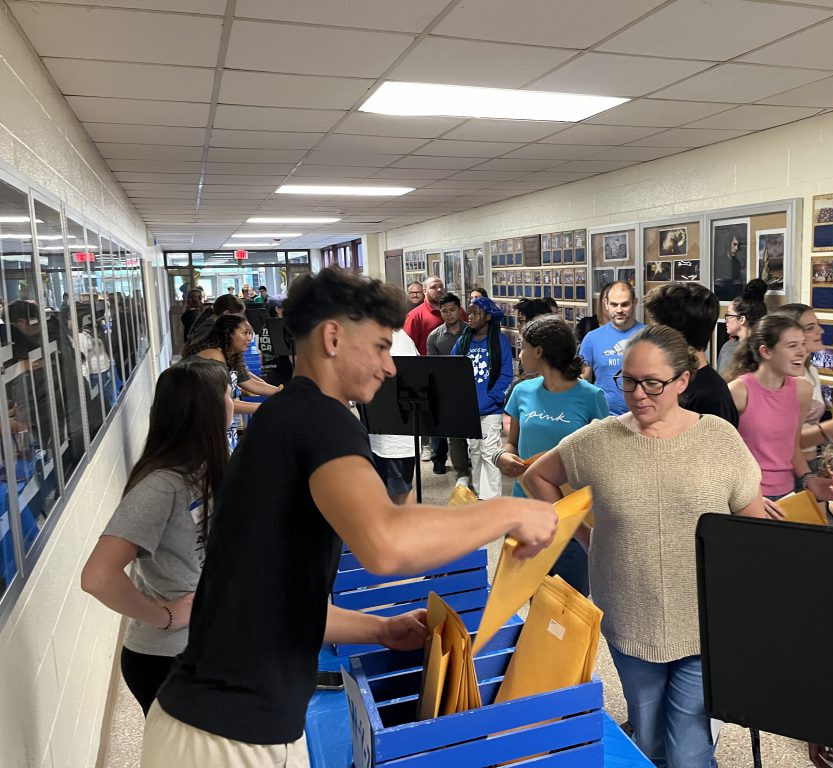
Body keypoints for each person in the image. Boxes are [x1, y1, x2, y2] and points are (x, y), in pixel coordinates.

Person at [145, 268, 557, 765]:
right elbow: (385, 543)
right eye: (382, 347)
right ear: (334, 337)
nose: (389, 367)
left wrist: (378, 630)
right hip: (224, 734)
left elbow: (275, 599)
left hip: (236, 721)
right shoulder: (319, 416)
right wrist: (509, 511)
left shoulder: (286, 416)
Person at [523, 324, 767, 768]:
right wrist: (582, 532)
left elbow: (753, 530)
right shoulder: (597, 441)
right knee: (649, 741)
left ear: (682, 381)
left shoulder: (718, 438)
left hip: (705, 618)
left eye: (652, 383)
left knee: (690, 751)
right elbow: (535, 476)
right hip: (628, 612)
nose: (638, 394)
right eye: (629, 381)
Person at [80, 362, 232, 715]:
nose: (232, 399)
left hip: (205, 645)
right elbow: (97, 577)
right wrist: (163, 615)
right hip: (167, 659)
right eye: (227, 392)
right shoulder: (162, 485)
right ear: (207, 409)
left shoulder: (205, 468)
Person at [498, 315, 608, 594]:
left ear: (539, 351)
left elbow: (604, 458)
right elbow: (512, 444)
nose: (520, 353)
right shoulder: (521, 391)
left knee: (567, 600)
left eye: (522, 346)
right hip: (525, 509)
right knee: (529, 593)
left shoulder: (591, 397)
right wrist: (502, 457)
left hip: (571, 514)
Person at [728, 314, 833, 502]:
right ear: (766, 352)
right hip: (747, 497)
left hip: (787, 494)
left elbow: (792, 446)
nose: (802, 352)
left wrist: (809, 478)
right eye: (792, 346)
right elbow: (719, 454)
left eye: (802, 344)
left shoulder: (802, 390)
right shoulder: (738, 391)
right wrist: (748, 498)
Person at [645, 282, 739, 427]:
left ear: (675, 334)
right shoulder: (674, 382)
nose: (652, 334)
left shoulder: (712, 398)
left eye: (656, 327)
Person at [453, 296, 513, 500]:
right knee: (475, 451)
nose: (469, 317)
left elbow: (506, 375)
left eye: (475, 313)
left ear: (487, 317)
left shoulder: (499, 342)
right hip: (468, 409)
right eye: (468, 312)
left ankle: (491, 498)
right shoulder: (463, 341)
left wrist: (492, 398)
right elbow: (452, 369)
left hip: (491, 410)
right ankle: (479, 491)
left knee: (490, 453)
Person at [181, 314, 277, 420]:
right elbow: (221, 403)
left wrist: (282, 391)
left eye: (250, 333)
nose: (250, 338)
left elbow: (251, 383)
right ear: (229, 334)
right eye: (245, 333)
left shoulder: (231, 356)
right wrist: (266, 408)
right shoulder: (215, 357)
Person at [774, 304, 828, 475]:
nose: (820, 331)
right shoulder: (784, 379)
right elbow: (787, 440)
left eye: (818, 325)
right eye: (810, 328)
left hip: (812, 461)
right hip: (787, 468)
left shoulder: (811, 371)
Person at [579, 281, 645, 416]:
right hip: (604, 418)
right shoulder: (592, 338)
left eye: (625, 304)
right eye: (614, 304)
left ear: (635, 303)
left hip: (642, 416)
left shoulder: (651, 336)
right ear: (606, 304)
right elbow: (583, 381)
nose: (619, 310)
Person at [425, 293, 471, 480]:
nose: (449, 314)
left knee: (470, 433)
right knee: (448, 430)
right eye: (444, 311)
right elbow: (432, 368)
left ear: (459, 310)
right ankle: (449, 464)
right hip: (446, 388)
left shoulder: (471, 332)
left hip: (470, 387)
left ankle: (470, 463)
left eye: (452, 310)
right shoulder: (434, 337)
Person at [369, 330, 418, 504]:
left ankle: (407, 531)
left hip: (395, 437)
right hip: (380, 434)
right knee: (387, 492)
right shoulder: (376, 336)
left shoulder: (399, 341)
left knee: (401, 492)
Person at [716, 279, 767, 379]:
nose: (726, 320)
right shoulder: (727, 347)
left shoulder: (762, 351)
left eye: (729, 315)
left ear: (742, 319)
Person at [404, 276, 461, 355]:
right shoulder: (415, 316)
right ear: (424, 291)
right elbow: (408, 349)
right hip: (428, 365)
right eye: (433, 287)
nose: (439, 290)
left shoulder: (459, 311)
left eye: (441, 286)